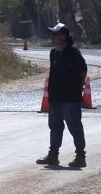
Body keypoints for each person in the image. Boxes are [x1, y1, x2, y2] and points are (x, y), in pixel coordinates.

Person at [36, 22, 88, 168]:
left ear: (64, 36)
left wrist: (78, 87)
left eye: (55, 34)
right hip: (55, 98)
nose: (53, 37)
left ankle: (80, 156)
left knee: (74, 127)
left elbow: (83, 70)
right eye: (52, 34)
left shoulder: (73, 53)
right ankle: (53, 156)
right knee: (55, 126)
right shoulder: (53, 53)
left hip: (70, 98)